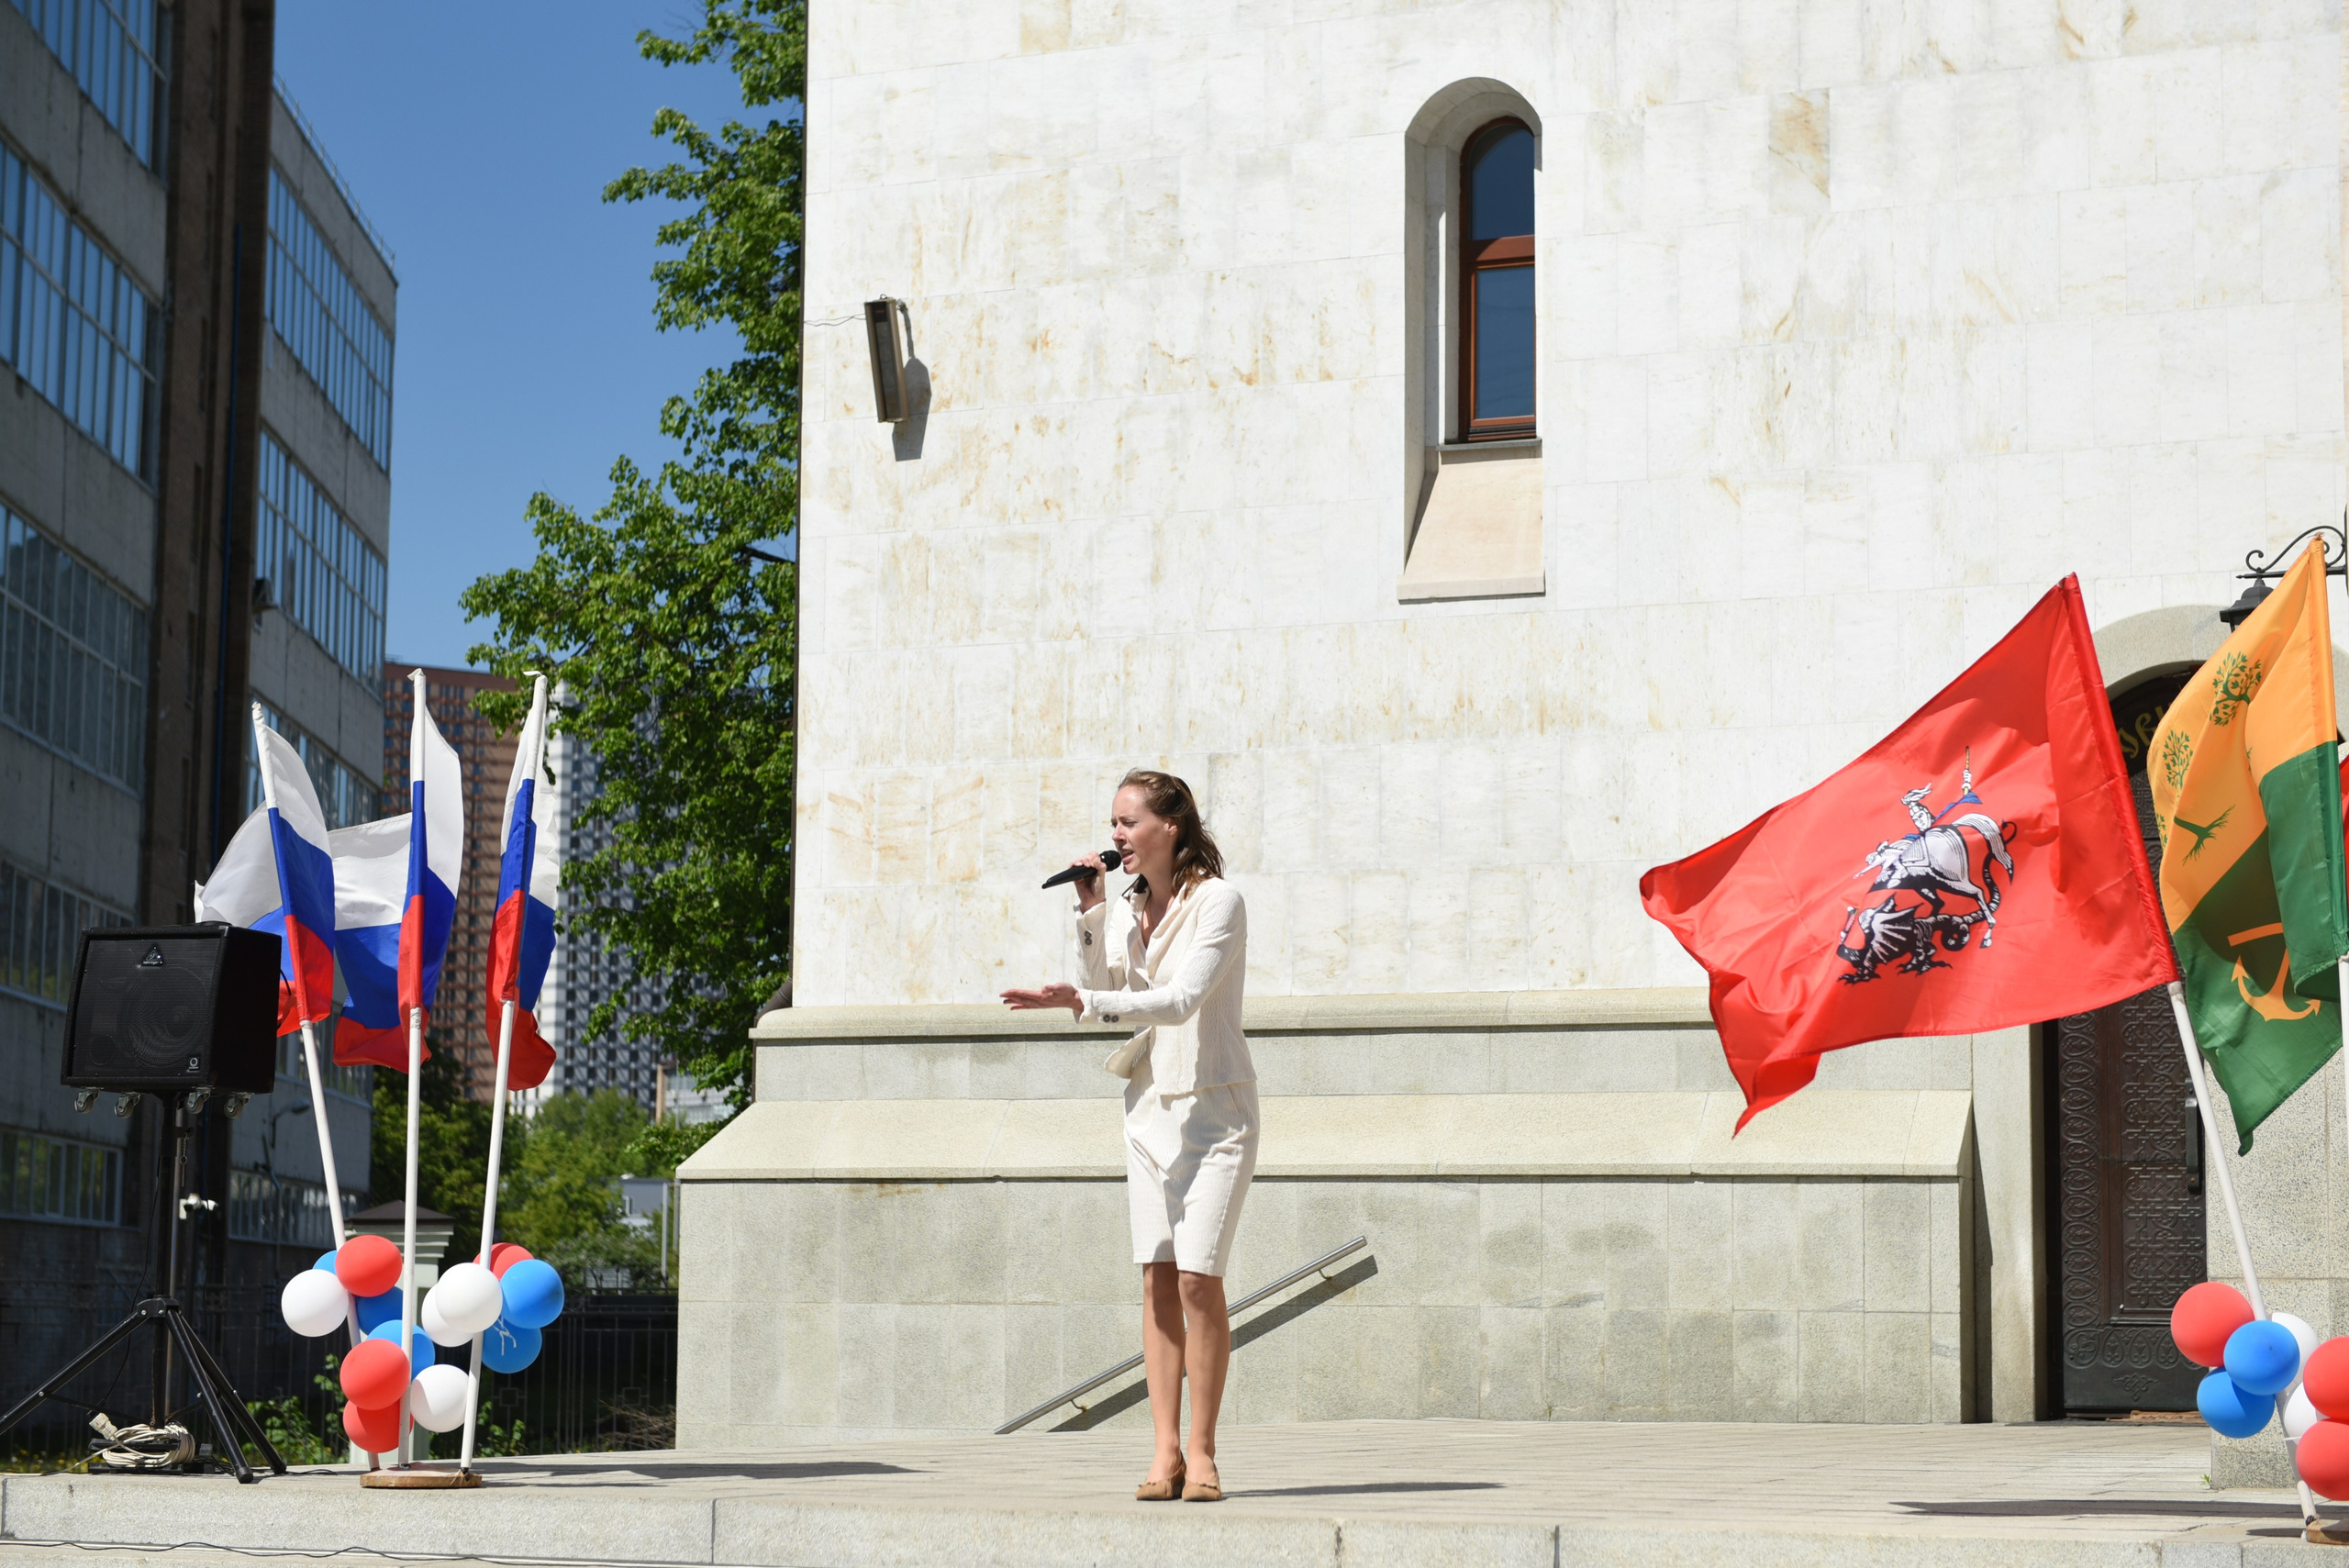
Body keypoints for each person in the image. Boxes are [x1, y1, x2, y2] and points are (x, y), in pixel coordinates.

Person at [1001, 769, 1256, 1504]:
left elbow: (1176, 1000)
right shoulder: (1128, 906)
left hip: (1216, 1109)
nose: (1115, 836)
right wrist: (1091, 913)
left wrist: (1085, 997)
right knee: (1156, 1276)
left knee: (1198, 1277)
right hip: (1148, 1110)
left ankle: (1204, 1453)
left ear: (1170, 824)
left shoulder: (1220, 903)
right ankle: (1164, 1450)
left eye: (1128, 821)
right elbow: (1109, 986)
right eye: (1112, 823)